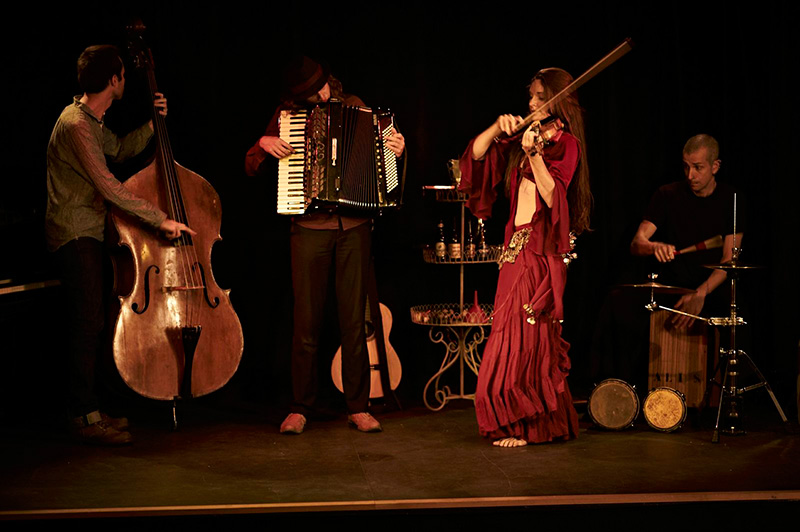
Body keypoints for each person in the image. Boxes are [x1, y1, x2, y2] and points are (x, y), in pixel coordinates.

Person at [245, 56, 404, 434]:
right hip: (309, 226)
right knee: (306, 320)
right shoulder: (288, 116)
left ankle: (358, 407)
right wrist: (263, 144)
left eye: (323, 87)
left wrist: (396, 149)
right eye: (312, 93)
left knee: (354, 320)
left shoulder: (356, 107)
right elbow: (251, 165)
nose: (321, 95)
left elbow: (385, 164)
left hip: (354, 225)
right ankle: (300, 406)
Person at [46, 45, 193, 445]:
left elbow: (121, 149)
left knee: (92, 322)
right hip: (74, 233)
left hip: (88, 231)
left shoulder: (90, 121)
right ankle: (84, 416)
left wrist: (153, 123)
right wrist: (159, 218)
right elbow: (109, 186)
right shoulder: (76, 125)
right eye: (123, 74)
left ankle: (91, 409)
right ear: (114, 80)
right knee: (87, 324)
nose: (125, 79)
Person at [458, 68, 590, 447]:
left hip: (539, 252)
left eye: (539, 97)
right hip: (514, 250)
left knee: (527, 336)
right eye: (531, 96)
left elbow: (553, 196)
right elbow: (477, 155)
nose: (531, 103)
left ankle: (526, 426)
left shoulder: (566, 144)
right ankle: (530, 422)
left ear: (558, 101)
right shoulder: (524, 137)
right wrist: (497, 128)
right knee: (509, 334)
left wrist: (534, 154)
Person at [630, 134, 742, 328]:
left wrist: (700, 293)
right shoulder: (667, 195)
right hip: (673, 291)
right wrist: (654, 247)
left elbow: (729, 261)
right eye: (686, 167)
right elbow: (636, 243)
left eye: (698, 167)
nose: (690, 175)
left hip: (712, 292)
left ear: (715, 166)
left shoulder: (731, 200)